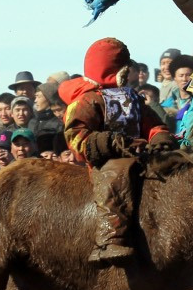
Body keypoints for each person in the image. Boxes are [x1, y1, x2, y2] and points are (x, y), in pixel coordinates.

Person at [60, 38, 174, 264]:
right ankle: (110, 239)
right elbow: (76, 136)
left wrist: (160, 137)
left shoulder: (132, 97)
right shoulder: (87, 101)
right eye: (124, 68)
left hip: (140, 154)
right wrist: (109, 143)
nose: (129, 73)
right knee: (117, 173)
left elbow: (152, 123)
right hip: (106, 161)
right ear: (111, 69)